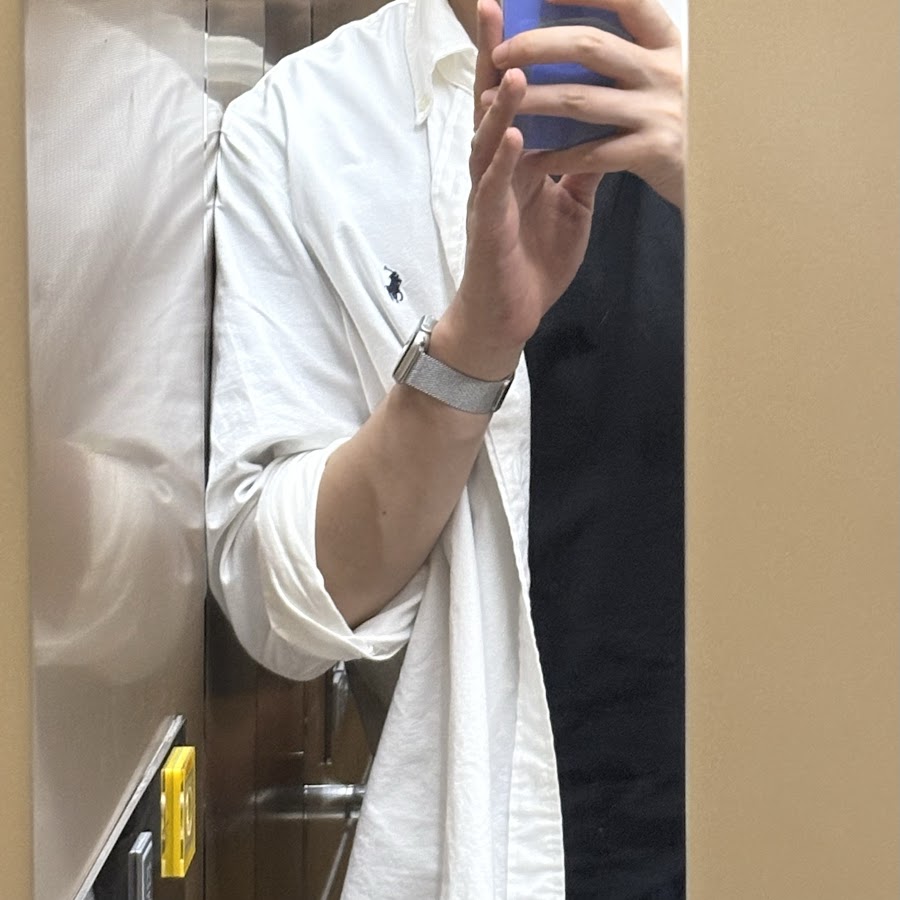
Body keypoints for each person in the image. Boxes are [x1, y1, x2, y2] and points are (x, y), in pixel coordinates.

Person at [207, 0, 685, 895]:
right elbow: (283, 607)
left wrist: (740, 186)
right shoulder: (304, 124)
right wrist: (471, 345)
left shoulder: (787, 78)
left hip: (805, 807)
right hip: (486, 852)